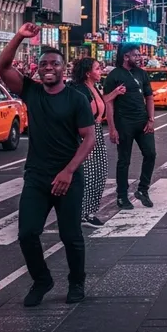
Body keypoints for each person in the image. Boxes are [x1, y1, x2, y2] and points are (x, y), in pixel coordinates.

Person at [0, 25, 95, 307]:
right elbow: (1, 67)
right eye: (43, 64)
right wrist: (19, 36)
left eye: (54, 64)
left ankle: (77, 282)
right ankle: (42, 280)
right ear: (37, 69)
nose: (48, 68)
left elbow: (88, 139)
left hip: (69, 177)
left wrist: (69, 171)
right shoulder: (32, 91)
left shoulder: (76, 98)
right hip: (37, 177)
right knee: (27, 234)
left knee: (71, 236)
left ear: (64, 69)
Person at [69, 58, 126, 227]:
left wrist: (115, 93)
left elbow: (102, 102)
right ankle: (82, 213)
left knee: (98, 173)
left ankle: (87, 211)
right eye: (97, 69)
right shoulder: (80, 90)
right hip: (86, 134)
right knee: (89, 174)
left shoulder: (92, 87)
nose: (101, 71)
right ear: (88, 73)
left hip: (96, 132)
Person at [103, 44, 156, 210]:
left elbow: (149, 97)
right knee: (124, 160)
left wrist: (151, 119)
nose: (139, 58)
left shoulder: (141, 73)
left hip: (143, 122)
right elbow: (108, 102)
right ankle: (122, 196)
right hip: (124, 123)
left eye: (139, 55)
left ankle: (143, 189)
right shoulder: (114, 76)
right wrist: (112, 128)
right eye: (136, 55)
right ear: (126, 57)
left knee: (151, 154)